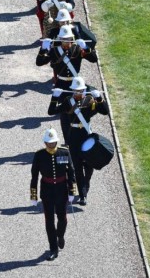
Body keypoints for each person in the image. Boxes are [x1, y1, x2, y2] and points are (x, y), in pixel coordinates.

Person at [48, 76, 108, 205]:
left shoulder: (90, 101)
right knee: (77, 166)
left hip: (86, 135)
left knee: (89, 165)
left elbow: (105, 111)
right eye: (75, 90)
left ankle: (86, 184)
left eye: (80, 90)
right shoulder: (68, 101)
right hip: (73, 136)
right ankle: (83, 195)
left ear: (84, 90)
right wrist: (55, 97)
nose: (78, 93)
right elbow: (51, 111)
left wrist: (99, 98)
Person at [37, 25, 97, 142]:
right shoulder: (55, 50)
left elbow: (94, 59)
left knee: (82, 110)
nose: (66, 42)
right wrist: (43, 49)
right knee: (65, 114)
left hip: (76, 84)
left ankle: (83, 136)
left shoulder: (77, 49)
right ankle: (68, 141)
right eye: (64, 39)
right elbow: (39, 62)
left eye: (68, 39)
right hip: (62, 84)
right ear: (59, 39)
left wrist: (86, 46)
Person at [30, 128, 77, 261]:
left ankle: (60, 235)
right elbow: (34, 176)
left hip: (62, 189)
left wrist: (72, 191)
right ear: (45, 143)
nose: (51, 145)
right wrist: (33, 195)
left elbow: (71, 172)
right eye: (48, 143)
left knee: (62, 218)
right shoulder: (39, 155)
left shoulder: (64, 152)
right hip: (47, 190)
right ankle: (53, 248)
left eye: (53, 142)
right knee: (49, 220)